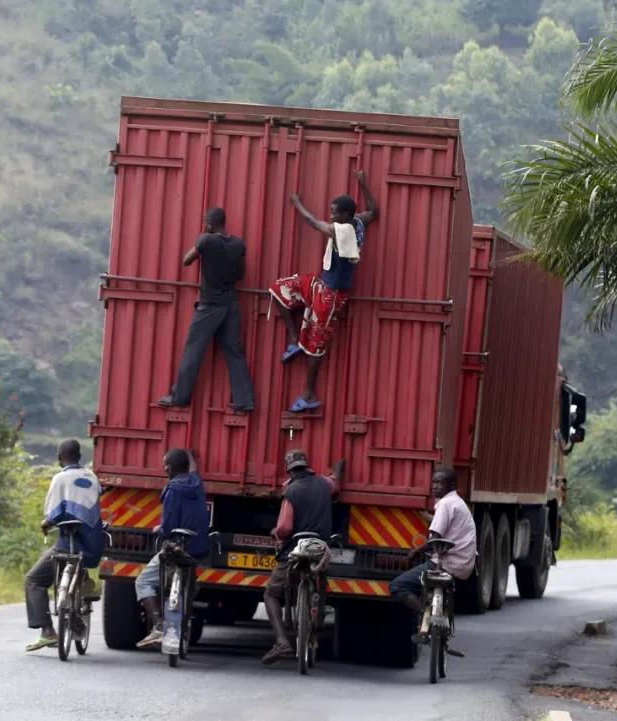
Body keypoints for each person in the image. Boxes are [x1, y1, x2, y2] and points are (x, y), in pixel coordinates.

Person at [269, 169, 377, 413]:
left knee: (316, 344)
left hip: (332, 296)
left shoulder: (342, 230)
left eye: (334, 212)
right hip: (321, 283)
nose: (331, 216)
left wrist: (297, 203)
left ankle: (308, 394)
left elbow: (312, 222)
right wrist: (363, 184)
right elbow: (373, 211)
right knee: (279, 288)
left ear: (345, 215)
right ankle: (294, 340)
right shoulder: (359, 221)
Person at [157, 207, 255, 411]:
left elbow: (186, 260)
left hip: (210, 305)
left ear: (209, 224)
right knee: (234, 352)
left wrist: (202, 243)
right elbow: (240, 275)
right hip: (230, 304)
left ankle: (179, 398)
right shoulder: (238, 245)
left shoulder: (206, 241)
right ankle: (244, 401)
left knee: (193, 350)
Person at [261, 450, 343, 664]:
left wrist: (276, 533)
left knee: (271, 594)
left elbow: (285, 528)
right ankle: (317, 613)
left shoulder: (291, 490)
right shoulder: (324, 484)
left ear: (289, 469)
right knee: (320, 577)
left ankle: (282, 642)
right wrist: (338, 468)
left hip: (295, 549)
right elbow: (335, 484)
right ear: (307, 465)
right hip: (319, 547)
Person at [24, 439, 105, 652]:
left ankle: (47, 632)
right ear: (79, 456)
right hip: (92, 548)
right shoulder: (92, 477)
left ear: (59, 457)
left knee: (33, 579)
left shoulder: (60, 478)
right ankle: (83, 585)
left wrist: (46, 524)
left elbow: (53, 514)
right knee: (75, 561)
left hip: (69, 545)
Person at [134, 448, 211, 649]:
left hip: (176, 547)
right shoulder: (197, 484)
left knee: (143, 581)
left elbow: (168, 527)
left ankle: (159, 626)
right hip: (197, 549)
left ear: (167, 469)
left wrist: (159, 530)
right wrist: (190, 456)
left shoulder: (173, 490)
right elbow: (192, 470)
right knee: (189, 579)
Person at [389, 467, 476, 616]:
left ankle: (426, 613)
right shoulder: (458, 503)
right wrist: (425, 515)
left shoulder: (445, 504)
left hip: (447, 564)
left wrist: (414, 552)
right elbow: (443, 523)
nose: (434, 486)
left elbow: (434, 539)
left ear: (452, 485)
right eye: (433, 482)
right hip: (463, 566)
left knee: (397, 586)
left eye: (439, 483)